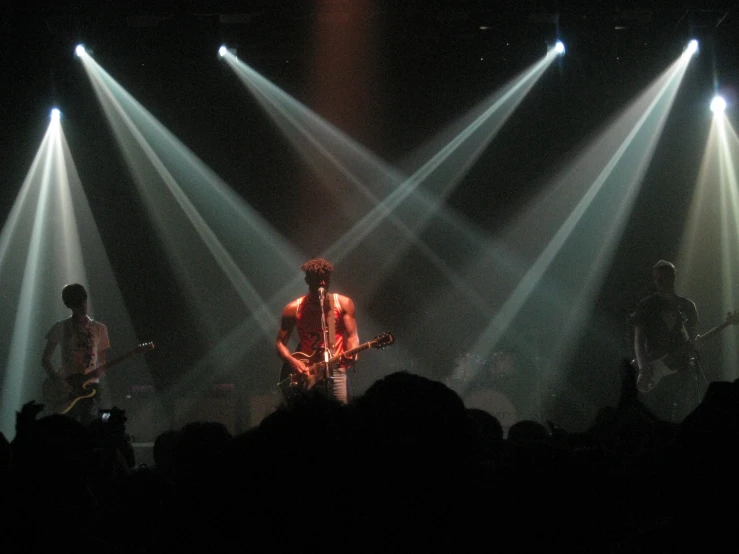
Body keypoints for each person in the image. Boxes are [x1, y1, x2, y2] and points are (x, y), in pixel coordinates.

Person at [276, 258, 359, 404]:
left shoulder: (343, 303)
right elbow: (280, 343)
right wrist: (292, 362)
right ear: (308, 280)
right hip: (307, 373)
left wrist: (353, 351)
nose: (322, 283)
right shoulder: (293, 309)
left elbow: (352, 336)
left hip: (336, 368)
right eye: (318, 279)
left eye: (325, 279)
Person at [632, 260, 703, 422]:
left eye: (664, 277)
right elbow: (638, 340)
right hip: (654, 368)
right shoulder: (647, 305)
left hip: (682, 370)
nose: (660, 281)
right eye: (657, 278)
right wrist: (644, 369)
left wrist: (696, 346)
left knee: (682, 415)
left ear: (673, 277)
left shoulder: (687, 306)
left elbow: (692, 339)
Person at [41, 283, 110, 426]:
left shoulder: (99, 328)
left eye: (83, 302)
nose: (83, 307)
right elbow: (45, 359)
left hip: (91, 388)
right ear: (69, 305)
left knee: (89, 427)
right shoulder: (60, 327)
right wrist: (57, 380)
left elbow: (102, 360)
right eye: (77, 304)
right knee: (67, 429)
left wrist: (100, 370)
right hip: (67, 388)